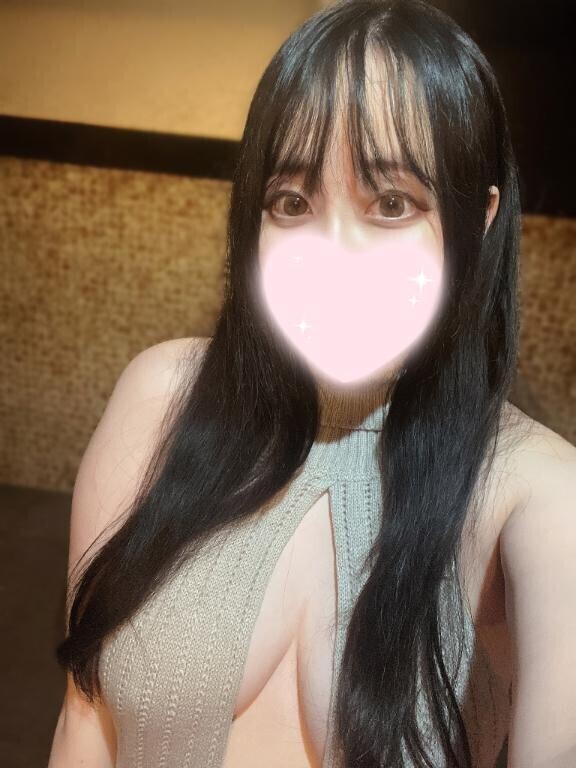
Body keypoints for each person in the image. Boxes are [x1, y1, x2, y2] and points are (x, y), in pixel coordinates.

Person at [48, 1, 576, 767]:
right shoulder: (160, 397)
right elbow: (82, 720)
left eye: (391, 203)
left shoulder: (538, 495)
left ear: (481, 220)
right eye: (292, 202)